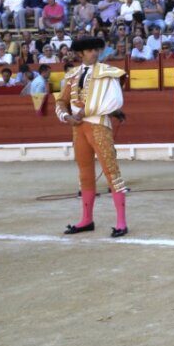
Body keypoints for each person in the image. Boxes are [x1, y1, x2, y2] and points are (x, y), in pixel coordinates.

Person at [55, 38, 129, 238]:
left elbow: (113, 99)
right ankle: (86, 220)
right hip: (78, 128)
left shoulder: (107, 72)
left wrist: (87, 112)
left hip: (98, 126)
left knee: (111, 171)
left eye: (96, 50)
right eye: (90, 51)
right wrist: (67, 116)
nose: (94, 53)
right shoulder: (71, 75)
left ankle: (121, 222)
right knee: (85, 173)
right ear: (80, 54)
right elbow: (61, 101)